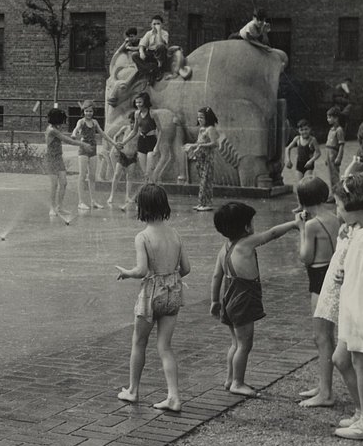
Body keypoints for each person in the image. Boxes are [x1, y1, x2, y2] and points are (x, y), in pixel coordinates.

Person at [115, 184, 192, 412]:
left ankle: (133, 391)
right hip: (173, 293)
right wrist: (171, 277)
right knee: (165, 346)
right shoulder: (175, 234)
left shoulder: (143, 237)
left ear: (142, 208)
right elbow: (186, 268)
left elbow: (141, 270)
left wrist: (126, 272)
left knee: (139, 341)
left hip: (151, 294)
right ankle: (174, 396)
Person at [210, 202, 299, 396]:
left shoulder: (225, 248)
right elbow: (273, 233)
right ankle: (238, 383)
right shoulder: (247, 243)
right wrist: (294, 224)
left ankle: (229, 379)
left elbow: (217, 276)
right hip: (243, 299)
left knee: (235, 343)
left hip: (228, 298)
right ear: (246, 227)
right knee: (245, 344)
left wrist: (214, 301)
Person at [291, 176, 342, 408]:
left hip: (319, 279)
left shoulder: (311, 225)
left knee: (321, 337)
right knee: (325, 336)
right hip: (330, 274)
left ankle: (327, 393)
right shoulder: (334, 217)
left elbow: (306, 257)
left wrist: (302, 229)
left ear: (302, 200)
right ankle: (323, 385)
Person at [333, 174, 363, 440]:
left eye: (338, 205)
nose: (337, 210)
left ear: (352, 203)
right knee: (343, 358)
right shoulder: (360, 230)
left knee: (361, 360)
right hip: (351, 301)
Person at [44, 107, 92, 224]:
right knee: (54, 184)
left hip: (58, 158)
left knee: (64, 183)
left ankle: (59, 206)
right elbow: (67, 140)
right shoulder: (52, 130)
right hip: (50, 159)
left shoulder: (55, 128)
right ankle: (52, 207)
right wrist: (83, 144)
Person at [71, 100, 116, 211]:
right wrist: (73, 134)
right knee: (82, 175)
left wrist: (114, 143)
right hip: (83, 149)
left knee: (92, 176)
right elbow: (76, 129)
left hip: (93, 149)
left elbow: (103, 134)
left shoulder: (95, 122)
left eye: (90, 111)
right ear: (83, 112)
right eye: (86, 111)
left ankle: (93, 201)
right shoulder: (81, 122)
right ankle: (80, 202)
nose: (89, 113)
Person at [184, 106, 220, 211]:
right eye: (198, 117)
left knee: (206, 181)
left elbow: (215, 143)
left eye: (202, 117)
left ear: (207, 118)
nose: (199, 120)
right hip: (200, 158)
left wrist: (201, 146)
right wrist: (191, 145)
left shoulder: (210, 129)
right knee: (202, 181)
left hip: (208, 158)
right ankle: (202, 203)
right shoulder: (201, 129)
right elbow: (199, 143)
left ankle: (206, 203)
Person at [121, 92, 159, 183]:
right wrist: (123, 142)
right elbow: (134, 131)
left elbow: (160, 130)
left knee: (149, 171)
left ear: (145, 102)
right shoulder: (137, 114)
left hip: (152, 141)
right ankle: (147, 192)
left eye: (140, 102)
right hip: (142, 142)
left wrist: (157, 146)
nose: (138, 104)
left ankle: (153, 191)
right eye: (136, 102)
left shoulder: (152, 113)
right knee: (144, 172)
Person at [106, 123, 140, 211]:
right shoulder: (125, 128)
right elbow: (116, 136)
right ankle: (112, 195)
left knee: (130, 176)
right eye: (132, 122)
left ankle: (127, 196)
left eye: (135, 123)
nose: (133, 125)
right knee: (117, 174)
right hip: (123, 154)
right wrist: (115, 146)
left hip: (132, 156)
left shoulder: (139, 131)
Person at [132, 14, 170, 84]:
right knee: (134, 55)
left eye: (158, 24)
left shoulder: (164, 33)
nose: (156, 25)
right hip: (150, 54)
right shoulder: (148, 33)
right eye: (154, 24)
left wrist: (158, 32)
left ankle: (159, 68)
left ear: (162, 25)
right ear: (151, 25)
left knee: (160, 46)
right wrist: (141, 52)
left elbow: (161, 43)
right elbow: (142, 45)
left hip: (159, 54)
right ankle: (150, 70)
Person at [323, 106, 346, 197]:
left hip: (334, 154)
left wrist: (339, 157)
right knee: (330, 175)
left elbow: (341, 145)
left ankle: (338, 195)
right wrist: (326, 157)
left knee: (335, 176)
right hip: (329, 153)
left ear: (336, 118)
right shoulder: (331, 130)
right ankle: (333, 194)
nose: (327, 119)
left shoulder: (339, 130)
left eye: (329, 117)